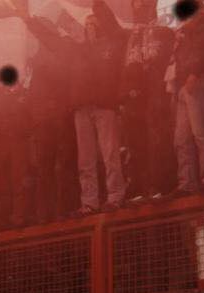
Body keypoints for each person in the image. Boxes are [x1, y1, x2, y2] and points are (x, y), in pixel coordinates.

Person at [19, 1, 127, 216]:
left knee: (110, 155)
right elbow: (50, 39)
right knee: (85, 160)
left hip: (105, 106)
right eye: (87, 24)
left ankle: (115, 196)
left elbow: (112, 24)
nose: (91, 27)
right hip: (81, 109)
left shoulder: (112, 43)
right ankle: (90, 201)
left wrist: (97, 4)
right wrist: (27, 19)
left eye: (95, 23)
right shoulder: (74, 50)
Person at [23, 17, 79, 224]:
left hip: (60, 120)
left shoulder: (64, 50)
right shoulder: (36, 62)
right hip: (43, 123)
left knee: (62, 166)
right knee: (45, 169)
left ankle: (62, 210)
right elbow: (31, 95)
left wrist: (56, 107)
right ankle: (44, 214)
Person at [119, 0, 176, 202]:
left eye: (143, 3)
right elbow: (126, 69)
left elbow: (167, 62)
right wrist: (126, 94)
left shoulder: (165, 32)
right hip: (135, 100)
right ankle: (138, 188)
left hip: (157, 95)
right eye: (134, 4)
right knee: (136, 145)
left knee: (158, 139)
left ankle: (161, 185)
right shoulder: (131, 37)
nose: (138, 7)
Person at [170, 1, 204, 195]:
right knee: (181, 139)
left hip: (196, 81)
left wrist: (194, 73)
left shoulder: (203, 20)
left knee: (201, 133)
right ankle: (187, 182)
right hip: (183, 85)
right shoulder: (185, 27)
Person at [0, 83, 33, 231]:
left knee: (18, 180)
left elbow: (29, 118)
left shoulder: (24, 96)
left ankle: (19, 217)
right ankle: (1, 219)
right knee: (0, 183)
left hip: (18, 142)